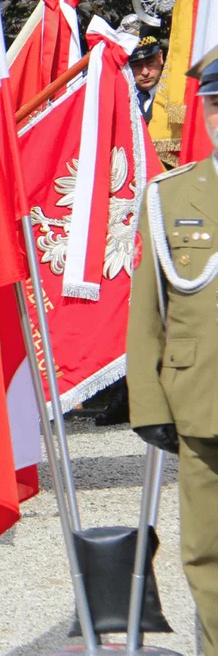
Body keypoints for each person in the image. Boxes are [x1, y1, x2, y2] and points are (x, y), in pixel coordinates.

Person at [126, 51, 218, 656]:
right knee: (207, 551)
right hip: (202, 402)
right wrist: (149, 402)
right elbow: (147, 310)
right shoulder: (171, 194)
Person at [129, 19, 164, 124]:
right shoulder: (124, 100)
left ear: (160, 57)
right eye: (137, 66)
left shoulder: (174, 95)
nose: (145, 72)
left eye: (150, 63)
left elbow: (180, 130)